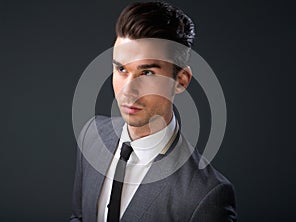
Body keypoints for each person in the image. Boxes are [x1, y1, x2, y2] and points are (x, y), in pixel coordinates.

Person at [70, 1, 237, 222]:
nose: (128, 91)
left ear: (181, 81)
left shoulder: (205, 195)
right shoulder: (92, 135)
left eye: (147, 72)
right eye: (121, 69)